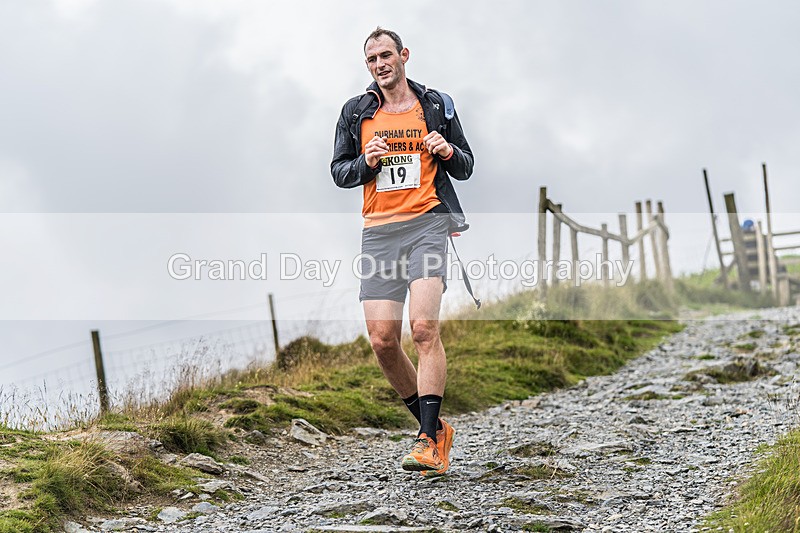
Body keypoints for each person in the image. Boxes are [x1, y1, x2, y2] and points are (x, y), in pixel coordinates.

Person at [330, 27, 474, 477]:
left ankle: (428, 442)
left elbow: (466, 165)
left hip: (427, 225)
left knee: (424, 328)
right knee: (383, 341)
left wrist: (447, 150)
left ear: (404, 55)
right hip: (378, 233)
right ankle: (434, 428)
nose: (380, 64)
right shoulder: (357, 112)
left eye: (386, 55)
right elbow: (339, 172)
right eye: (372, 59)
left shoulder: (435, 106)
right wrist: (365, 162)